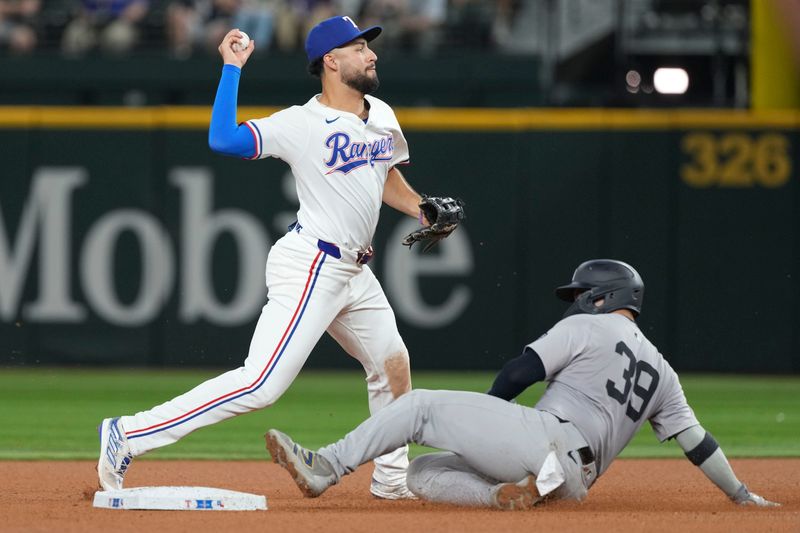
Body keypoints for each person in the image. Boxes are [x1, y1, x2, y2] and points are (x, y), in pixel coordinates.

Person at [97, 15, 462, 500]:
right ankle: (129, 433)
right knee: (260, 385)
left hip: (355, 270)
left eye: (368, 47)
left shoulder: (382, 115)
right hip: (313, 264)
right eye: (358, 48)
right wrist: (232, 69)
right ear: (331, 61)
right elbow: (223, 139)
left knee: (392, 364)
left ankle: (392, 479)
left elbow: (384, 177)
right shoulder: (301, 122)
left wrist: (420, 208)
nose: (371, 54)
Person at [265, 259, 780, 510]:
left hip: (547, 440)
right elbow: (698, 444)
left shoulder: (586, 326)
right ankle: (506, 497)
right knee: (421, 473)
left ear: (602, 298)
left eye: (582, 293)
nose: (575, 301)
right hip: (576, 480)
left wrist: (473, 424)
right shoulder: (663, 371)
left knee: (419, 406)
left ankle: (326, 465)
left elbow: (518, 373)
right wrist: (740, 495)